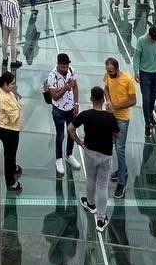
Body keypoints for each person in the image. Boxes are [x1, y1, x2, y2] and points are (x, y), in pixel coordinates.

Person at [69, 85, 118, 231]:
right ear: (103, 99)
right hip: (105, 154)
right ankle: (101, 220)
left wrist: (78, 141)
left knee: (90, 178)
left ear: (91, 99)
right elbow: (117, 135)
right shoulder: (109, 117)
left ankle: (90, 204)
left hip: (90, 151)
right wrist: (112, 115)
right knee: (102, 185)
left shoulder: (86, 114)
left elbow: (70, 128)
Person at [102, 58, 137, 198]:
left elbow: (133, 100)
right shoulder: (108, 76)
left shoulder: (127, 80)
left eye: (111, 71)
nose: (109, 74)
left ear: (117, 68)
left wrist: (115, 106)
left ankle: (121, 184)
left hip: (122, 118)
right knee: (111, 145)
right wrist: (109, 101)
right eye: (107, 71)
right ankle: (123, 170)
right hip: (111, 116)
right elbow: (106, 88)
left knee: (120, 148)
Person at [45, 52, 81, 178]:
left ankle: (69, 155)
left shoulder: (71, 70)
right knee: (60, 135)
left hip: (71, 109)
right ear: (58, 65)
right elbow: (54, 96)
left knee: (71, 132)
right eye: (62, 67)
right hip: (59, 111)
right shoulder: (52, 76)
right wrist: (65, 88)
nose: (64, 69)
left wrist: (76, 103)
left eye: (66, 67)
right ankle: (59, 159)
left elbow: (75, 87)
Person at [0, 71, 23, 192]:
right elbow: (13, 118)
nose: (13, 86)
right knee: (9, 155)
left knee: (10, 153)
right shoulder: (6, 98)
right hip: (10, 130)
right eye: (12, 84)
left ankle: (13, 168)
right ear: (5, 84)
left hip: (2, 125)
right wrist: (18, 108)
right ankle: (11, 182)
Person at [0, 0, 22, 67]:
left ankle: (4, 59)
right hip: (13, 24)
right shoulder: (14, 1)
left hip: (4, 22)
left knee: (4, 41)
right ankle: (13, 61)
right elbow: (17, 14)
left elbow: (0, 10)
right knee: (13, 43)